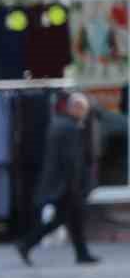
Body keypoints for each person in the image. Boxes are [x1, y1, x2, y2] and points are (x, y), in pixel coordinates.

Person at [17, 93, 101, 267]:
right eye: (82, 109)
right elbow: (71, 160)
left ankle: (82, 253)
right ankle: (27, 244)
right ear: (74, 108)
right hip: (66, 184)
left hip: (62, 183)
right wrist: (75, 184)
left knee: (73, 219)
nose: (84, 113)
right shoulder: (69, 127)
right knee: (62, 219)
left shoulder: (61, 124)